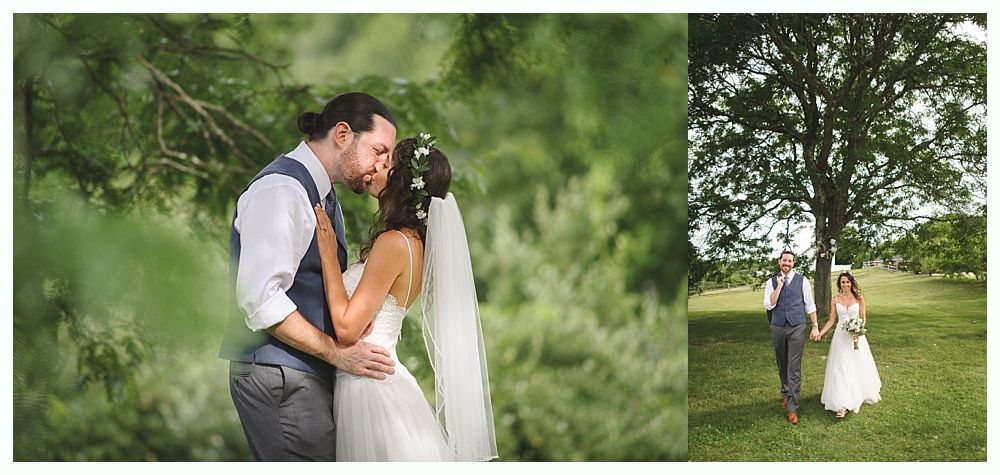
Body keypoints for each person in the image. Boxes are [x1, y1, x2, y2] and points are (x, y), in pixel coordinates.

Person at [218, 92, 399, 461]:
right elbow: (260, 299)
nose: (384, 165)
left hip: (299, 376)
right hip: (280, 378)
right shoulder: (281, 190)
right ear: (344, 134)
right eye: (379, 150)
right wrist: (337, 353)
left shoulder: (322, 195)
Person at [313, 134, 498, 461]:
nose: (377, 165)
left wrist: (328, 255)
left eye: (388, 163)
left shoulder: (395, 243)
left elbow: (345, 328)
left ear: (402, 183)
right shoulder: (414, 244)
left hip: (369, 388)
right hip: (376, 380)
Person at [762, 250, 819, 425]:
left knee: (793, 367)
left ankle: (793, 407)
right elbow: (768, 304)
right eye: (784, 260)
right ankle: (786, 392)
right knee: (782, 363)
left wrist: (815, 326)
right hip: (778, 326)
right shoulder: (771, 282)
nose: (787, 263)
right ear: (779, 262)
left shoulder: (802, 281)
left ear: (793, 263)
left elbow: (810, 304)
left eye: (790, 261)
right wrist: (779, 286)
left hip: (797, 327)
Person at [817, 272, 882, 418]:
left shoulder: (859, 298)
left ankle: (857, 392)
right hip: (840, 338)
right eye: (842, 282)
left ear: (851, 283)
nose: (845, 285)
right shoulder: (835, 300)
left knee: (856, 365)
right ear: (839, 284)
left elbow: (863, 318)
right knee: (840, 367)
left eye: (847, 282)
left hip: (855, 338)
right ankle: (842, 405)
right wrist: (821, 333)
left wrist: (857, 331)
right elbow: (831, 320)